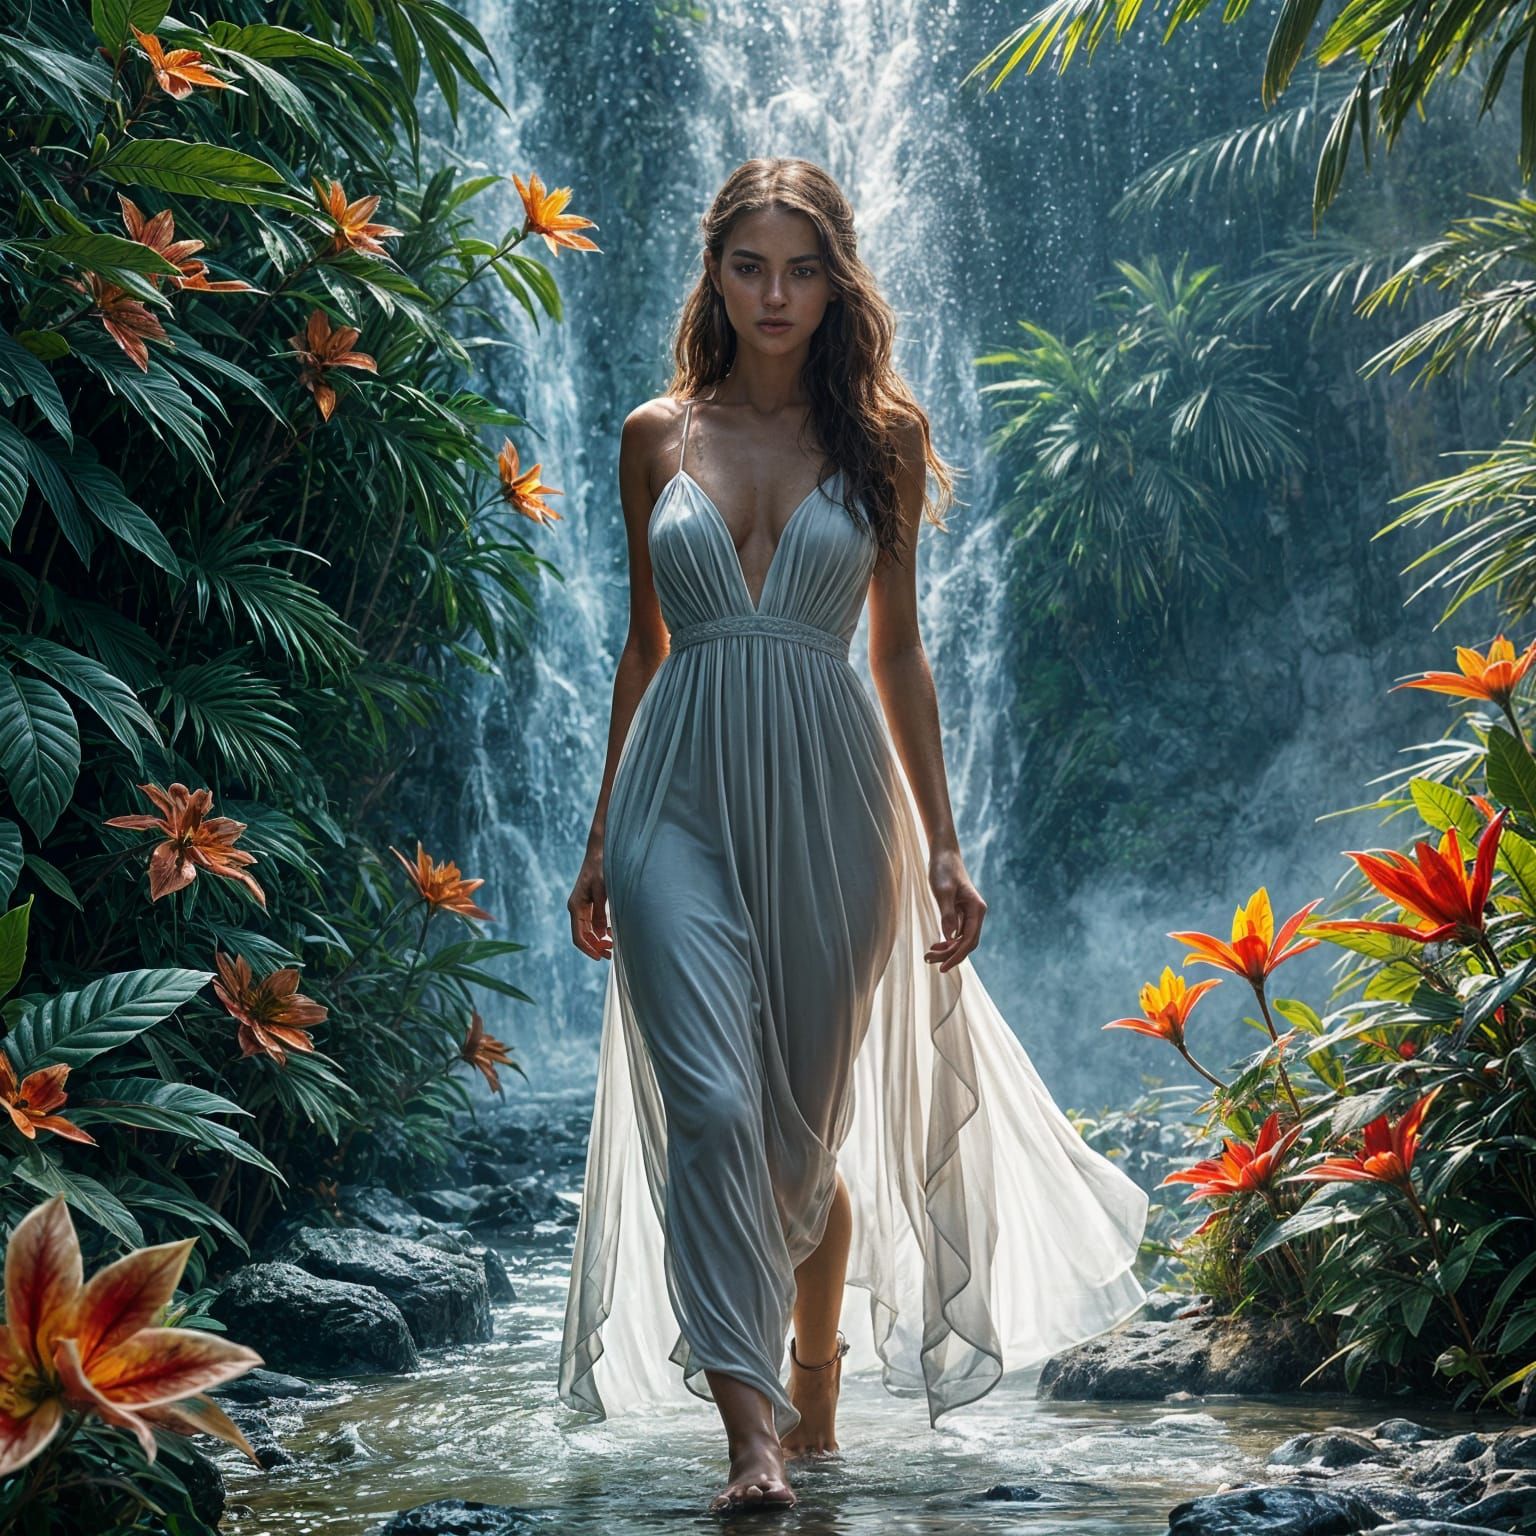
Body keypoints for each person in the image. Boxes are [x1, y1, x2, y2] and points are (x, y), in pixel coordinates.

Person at [561, 157, 1148, 1516]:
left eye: (803, 267)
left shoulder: (884, 438)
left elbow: (901, 655)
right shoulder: (656, 434)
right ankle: (750, 1435)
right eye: (751, 265)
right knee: (711, 1107)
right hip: (674, 799)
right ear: (713, 272)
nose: (776, 294)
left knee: (798, 1139)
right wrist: (598, 840)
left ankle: (816, 1383)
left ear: (840, 281)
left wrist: (945, 844)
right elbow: (641, 650)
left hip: (836, 800)